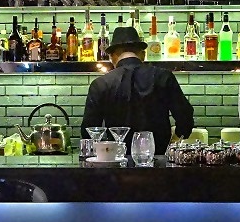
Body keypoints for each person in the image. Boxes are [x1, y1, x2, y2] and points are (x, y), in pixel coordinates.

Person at [81, 26, 194, 155]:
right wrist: (174, 141)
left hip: (116, 161)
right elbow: (185, 117)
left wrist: (104, 152)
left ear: (111, 56)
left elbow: (89, 131)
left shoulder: (100, 84)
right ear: (143, 54)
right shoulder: (164, 77)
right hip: (158, 160)